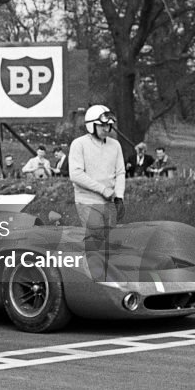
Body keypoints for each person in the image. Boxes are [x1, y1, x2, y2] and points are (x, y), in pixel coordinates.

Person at [69, 104, 126, 280]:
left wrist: (119, 196)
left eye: (109, 126)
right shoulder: (79, 144)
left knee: (109, 240)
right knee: (95, 237)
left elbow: (120, 172)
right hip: (88, 200)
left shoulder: (115, 145)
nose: (107, 129)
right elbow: (76, 174)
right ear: (91, 125)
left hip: (109, 201)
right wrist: (103, 190)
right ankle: (95, 278)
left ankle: (108, 278)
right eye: (102, 126)